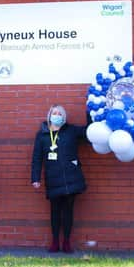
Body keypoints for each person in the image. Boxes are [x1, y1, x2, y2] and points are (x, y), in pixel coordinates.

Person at [31, 105, 87, 253]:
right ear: (49, 115)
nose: (57, 115)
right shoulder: (42, 135)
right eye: (54, 113)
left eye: (60, 114)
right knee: (55, 212)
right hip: (53, 178)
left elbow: (88, 132)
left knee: (68, 211)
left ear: (64, 117)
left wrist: (91, 112)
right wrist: (35, 178)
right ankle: (55, 241)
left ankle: (67, 242)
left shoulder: (71, 131)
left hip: (71, 178)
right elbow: (37, 158)